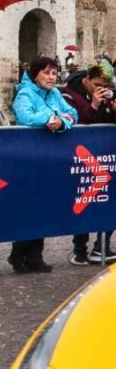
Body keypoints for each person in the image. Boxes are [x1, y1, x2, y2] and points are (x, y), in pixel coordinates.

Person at [9, 57, 79, 273]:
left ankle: (32, 254)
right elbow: (25, 116)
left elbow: (73, 113)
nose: (51, 77)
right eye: (46, 73)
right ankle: (22, 253)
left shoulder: (56, 94)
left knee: (42, 205)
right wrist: (53, 116)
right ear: (35, 74)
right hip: (28, 157)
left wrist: (62, 122)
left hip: (49, 157)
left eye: (54, 73)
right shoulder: (25, 94)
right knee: (28, 205)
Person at [61, 64, 116, 265]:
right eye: (97, 84)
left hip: (107, 154)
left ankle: (102, 246)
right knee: (82, 202)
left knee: (110, 199)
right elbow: (77, 122)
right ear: (88, 79)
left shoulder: (110, 91)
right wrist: (95, 105)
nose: (100, 88)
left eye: (104, 85)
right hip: (82, 158)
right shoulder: (69, 94)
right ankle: (79, 249)